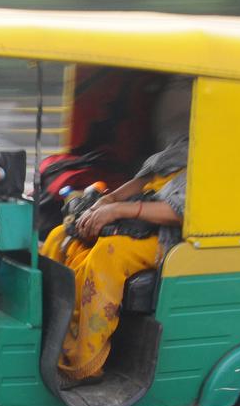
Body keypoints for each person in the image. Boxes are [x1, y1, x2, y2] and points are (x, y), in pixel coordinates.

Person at [40, 133, 188, 386]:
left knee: (108, 253)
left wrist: (118, 210)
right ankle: (46, 338)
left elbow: (184, 212)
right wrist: (107, 202)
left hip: (169, 239)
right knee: (60, 236)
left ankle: (83, 365)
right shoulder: (184, 145)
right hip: (138, 221)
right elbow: (145, 181)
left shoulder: (221, 159)